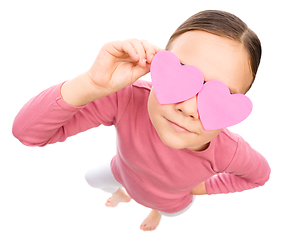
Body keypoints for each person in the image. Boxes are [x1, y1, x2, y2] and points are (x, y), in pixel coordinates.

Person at [12, 10, 271, 231]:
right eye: (180, 77)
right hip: (122, 172)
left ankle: (154, 210)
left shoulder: (231, 152)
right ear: (157, 67)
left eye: (220, 97)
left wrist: (201, 189)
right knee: (91, 178)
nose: (189, 108)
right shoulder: (126, 99)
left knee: (168, 211)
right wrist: (90, 84)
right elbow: (28, 133)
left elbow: (259, 177)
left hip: (172, 202)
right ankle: (126, 194)